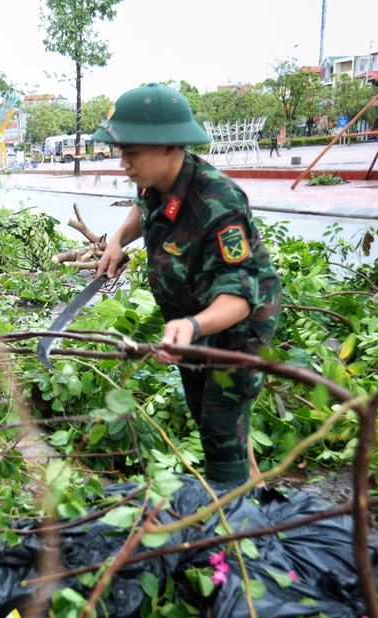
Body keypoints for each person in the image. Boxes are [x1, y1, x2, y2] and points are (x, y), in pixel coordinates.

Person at [93, 83, 282, 484]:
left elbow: (239, 297)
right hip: (190, 316)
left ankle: (236, 525)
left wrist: (193, 327)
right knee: (208, 412)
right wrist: (116, 241)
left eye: (130, 152)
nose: (122, 162)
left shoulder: (220, 203)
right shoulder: (153, 180)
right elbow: (142, 209)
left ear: (168, 146)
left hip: (238, 324)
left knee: (218, 424)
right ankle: (252, 486)